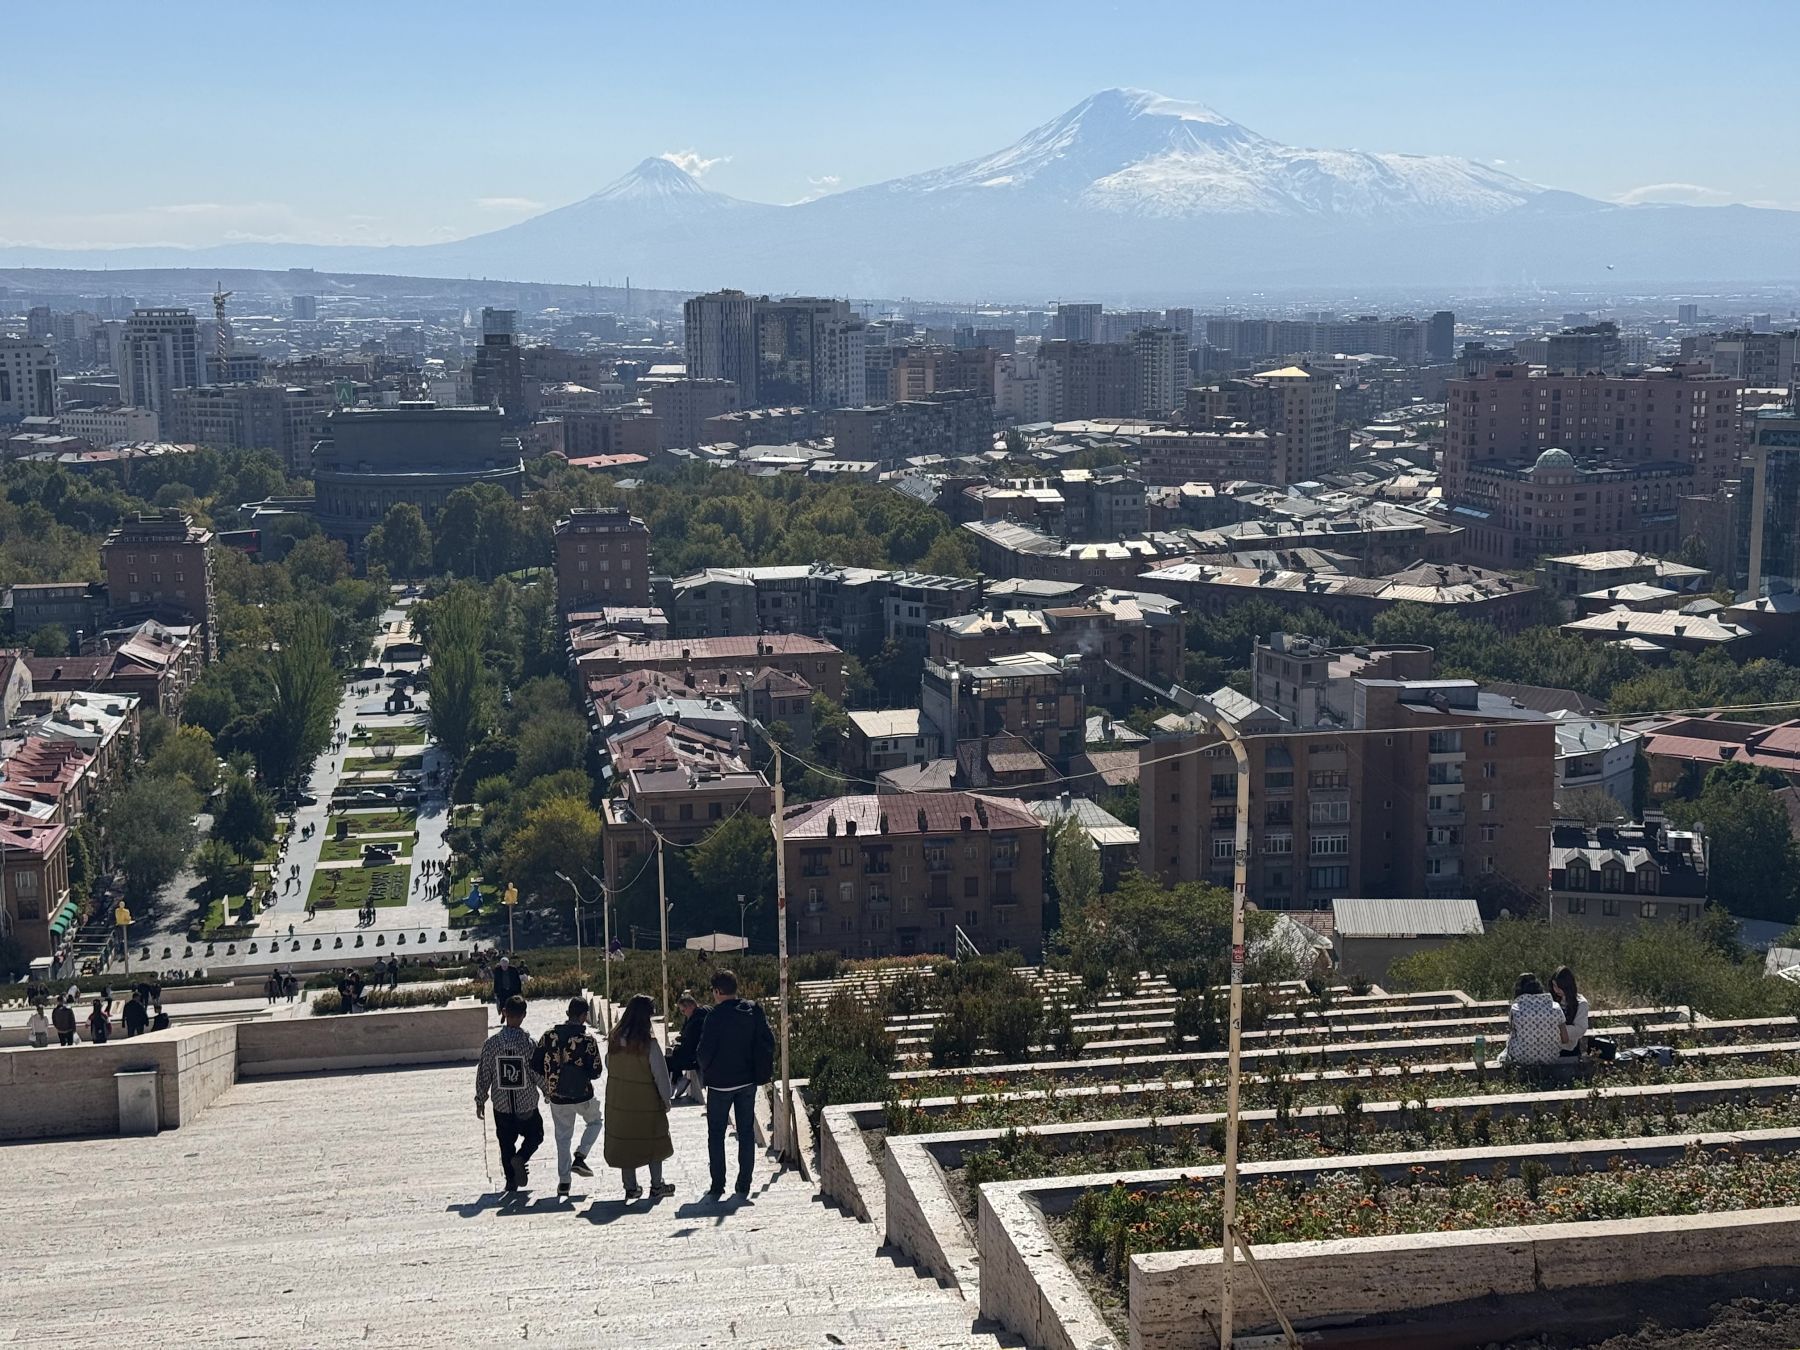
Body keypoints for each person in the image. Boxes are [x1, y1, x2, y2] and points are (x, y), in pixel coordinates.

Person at [695, 970, 774, 1202]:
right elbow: (767, 1041)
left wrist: (705, 1070)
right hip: (747, 1081)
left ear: (717, 991)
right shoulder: (752, 1010)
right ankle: (744, 1184)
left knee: (716, 1134)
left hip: (719, 1086)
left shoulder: (714, 1016)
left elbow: (704, 1051)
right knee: (746, 1132)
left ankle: (718, 1185)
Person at [604, 995, 677, 1201]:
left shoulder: (614, 1039)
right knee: (653, 1142)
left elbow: (610, 1064)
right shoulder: (649, 1044)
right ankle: (657, 1185)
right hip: (647, 1102)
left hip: (620, 1101)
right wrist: (666, 1100)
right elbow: (661, 1076)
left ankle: (631, 1187)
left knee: (627, 1142)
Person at [531, 997, 603, 1199]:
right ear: (583, 1016)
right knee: (596, 1122)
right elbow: (596, 1071)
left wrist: (552, 1076)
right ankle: (581, 1156)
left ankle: (564, 1182)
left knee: (562, 1138)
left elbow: (535, 1063)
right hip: (582, 1094)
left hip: (557, 1095)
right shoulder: (587, 1040)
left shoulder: (549, 1036)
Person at [475, 994, 544, 1193]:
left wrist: (480, 1099)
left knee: (506, 1143)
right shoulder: (528, 1044)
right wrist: (548, 1092)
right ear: (523, 1015)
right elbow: (536, 1072)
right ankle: (521, 1158)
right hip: (526, 1104)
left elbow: (484, 1074)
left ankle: (511, 1181)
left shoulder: (491, 1044)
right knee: (536, 1135)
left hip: (502, 1105)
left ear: (504, 1013)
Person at [1502, 972, 1564, 1067]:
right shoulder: (1555, 1007)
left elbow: (1513, 1032)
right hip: (1551, 1057)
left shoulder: (1515, 1008)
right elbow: (1565, 1038)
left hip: (1522, 1057)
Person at [666, 992, 708, 1104]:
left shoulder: (696, 1019)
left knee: (668, 1059)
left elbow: (689, 1042)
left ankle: (675, 1083)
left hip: (696, 1057)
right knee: (674, 1052)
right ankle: (678, 1080)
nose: (683, 1014)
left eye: (683, 1011)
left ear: (691, 1006)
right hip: (698, 1053)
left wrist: (677, 1043)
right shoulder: (700, 1013)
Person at [1550, 965, 1590, 1058]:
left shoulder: (1581, 1003)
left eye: (1559, 987)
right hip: (1549, 1048)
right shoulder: (1550, 999)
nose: (1556, 990)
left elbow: (1580, 1029)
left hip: (1569, 1049)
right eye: (1554, 986)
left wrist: (1557, 1030)